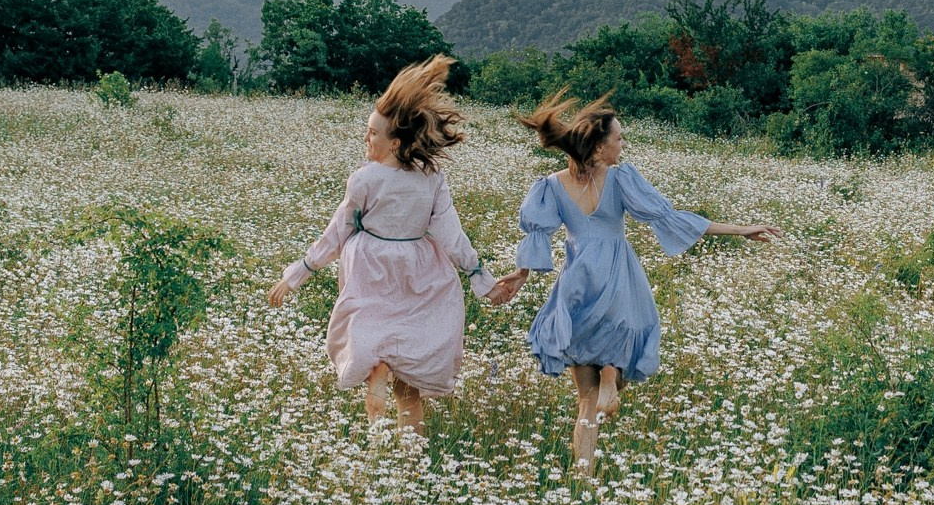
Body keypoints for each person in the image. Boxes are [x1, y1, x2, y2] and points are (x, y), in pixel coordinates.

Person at [486, 92, 775, 470]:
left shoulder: (551, 185)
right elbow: (668, 218)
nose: (623, 145)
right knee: (624, 347)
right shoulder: (621, 179)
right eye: (618, 139)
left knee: (584, 400)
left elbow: (537, 234)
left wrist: (520, 276)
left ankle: (583, 475)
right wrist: (740, 229)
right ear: (600, 146)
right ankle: (612, 377)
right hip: (617, 276)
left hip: (577, 280)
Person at [267, 54, 496, 432]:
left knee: (373, 341)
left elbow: (338, 231)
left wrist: (298, 273)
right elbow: (450, 235)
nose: (366, 137)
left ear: (395, 143)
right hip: (420, 270)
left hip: (370, 267)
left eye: (373, 133)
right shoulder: (431, 177)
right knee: (411, 380)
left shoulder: (365, 179)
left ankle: (378, 404)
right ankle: (410, 456)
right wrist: (479, 278)